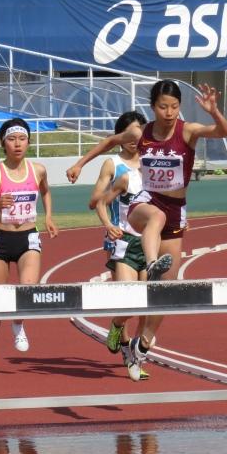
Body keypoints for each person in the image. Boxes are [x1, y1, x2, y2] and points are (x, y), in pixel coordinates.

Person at [67, 80, 227, 381]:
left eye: (174, 106)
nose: (169, 112)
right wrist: (80, 163)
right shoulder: (140, 133)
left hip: (177, 212)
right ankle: (153, 263)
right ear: (152, 107)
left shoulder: (188, 131)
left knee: (164, 296)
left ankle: (140, 346)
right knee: (153, 216)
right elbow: (107, 142)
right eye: (162, 106)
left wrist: (214, 111)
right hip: (146, 204)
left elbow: (223, 133)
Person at [0, 118, 58, 373]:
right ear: (3, 143)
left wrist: (49, 216)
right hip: (0, 240)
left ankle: (18, 323)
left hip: (28, 237)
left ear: (29, 141)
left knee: (27, 292)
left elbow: (46, 192)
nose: (17, 144)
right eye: (11, 139)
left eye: (22, 139)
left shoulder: (38, 170)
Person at [89, 111, 150, 379]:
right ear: (122, 137)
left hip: (147, 241)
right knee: (130, 298)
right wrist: (108, 221)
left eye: (139, 133)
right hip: (120, 239)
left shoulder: (152, 163)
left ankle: (135, 354)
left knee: (147, 303)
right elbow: (95, 200)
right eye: (129, 134)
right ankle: (127, 350)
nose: (134, 139)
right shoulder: (114, 165)